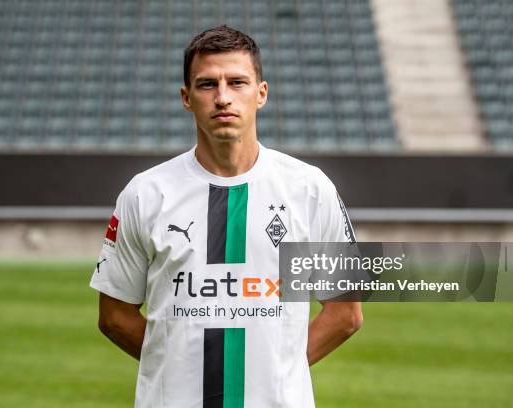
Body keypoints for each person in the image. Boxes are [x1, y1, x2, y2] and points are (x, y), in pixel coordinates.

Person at [90, 25, 362, 408]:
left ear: (261, 93)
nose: (222, 98)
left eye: (237, 83)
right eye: (206, 85)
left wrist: (273, 375)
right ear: (186, 98)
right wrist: (179, 372)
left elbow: (345, 313)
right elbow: (115, 316)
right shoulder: (145, 193)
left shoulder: (310, 189)